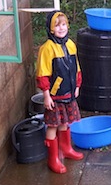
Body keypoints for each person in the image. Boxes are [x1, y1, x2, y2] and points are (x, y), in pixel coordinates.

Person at [36, 10, 84, 173]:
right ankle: (53, 158)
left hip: (68, 93)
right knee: (53, 125)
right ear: (50, 29)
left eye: (63, 24)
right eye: (57, 26)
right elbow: (43, 73)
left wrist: (76, 86)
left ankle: (66, 148)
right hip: (55, 96)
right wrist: (46, 95)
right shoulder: (47, 48)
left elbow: (76, 67)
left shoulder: (71, 44)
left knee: (65, 121)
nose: (61, 28)